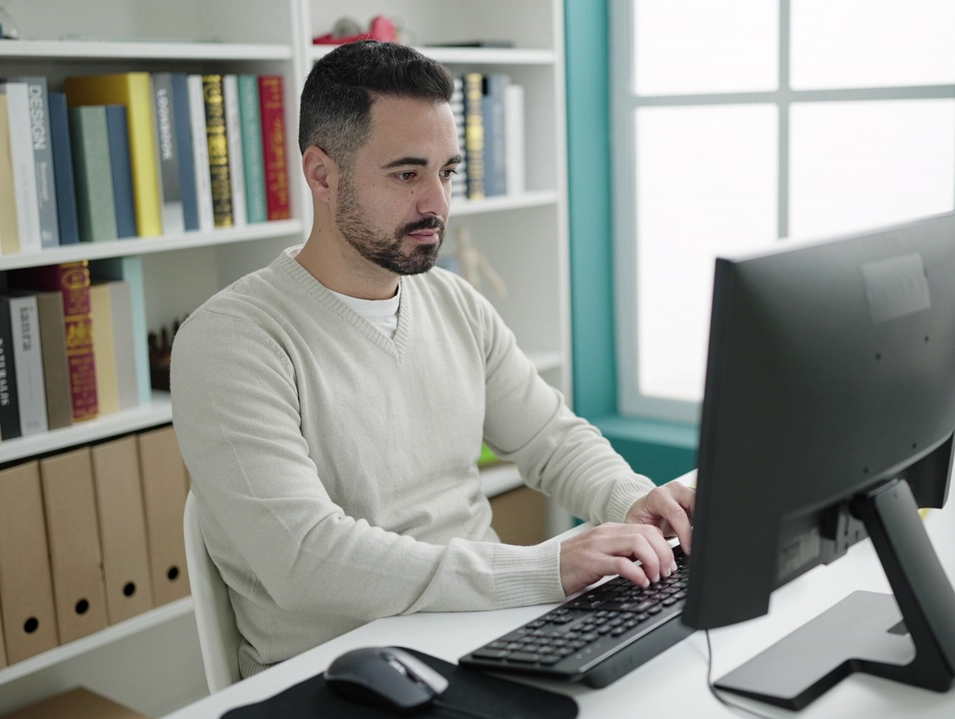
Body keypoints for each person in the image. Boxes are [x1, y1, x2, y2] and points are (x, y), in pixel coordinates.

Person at [170, 40, 695, 678]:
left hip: (486, 635)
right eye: (406, 174)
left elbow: (552, 441)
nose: (438, 205)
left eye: (446, 172)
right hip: (342, 673)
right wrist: (546, 568)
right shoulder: (230, 342)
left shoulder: (451, 301)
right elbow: (306, 559)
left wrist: (630, 503)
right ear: (322, 174)